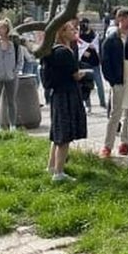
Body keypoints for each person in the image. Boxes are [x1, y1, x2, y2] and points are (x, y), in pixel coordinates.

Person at [43, 19, 87, 183]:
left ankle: (51, 166)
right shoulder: (65, 52)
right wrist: (82, 74)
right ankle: (59, 173)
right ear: (62, 33)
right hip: (67, 94)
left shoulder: (52, 50)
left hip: (57, 94)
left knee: (57, 133)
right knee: (64, 136)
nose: (74, 31)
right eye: (70, 29)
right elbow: (75, 75)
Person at [99, 6, 128, 158]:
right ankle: (107, 145)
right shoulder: (110, 40)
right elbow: (105, 63)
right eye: (127, 19)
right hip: (119, 80)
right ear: (119, 20)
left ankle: (125, 143)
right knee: (116, 113)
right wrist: (113, 81)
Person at [77, 17, 106, 111]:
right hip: (84, 63)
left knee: (99, 84)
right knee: (86, 84)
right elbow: (78, 47)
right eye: (82, 24)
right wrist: (83, 51)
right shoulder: (79, 35)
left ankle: (102, 102)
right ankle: (87, 104)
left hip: (95, 62)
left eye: (85, 23)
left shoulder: (94, 34)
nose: (84, 26)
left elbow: (98, 45)